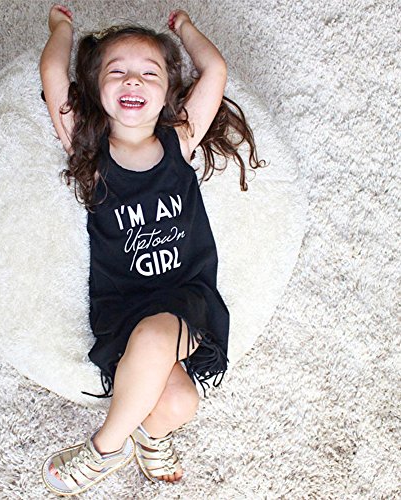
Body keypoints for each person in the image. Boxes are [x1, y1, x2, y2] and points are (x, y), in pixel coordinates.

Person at [39, 4, 267, 496]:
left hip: (186, 295)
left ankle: (104, 450)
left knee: (160, 341)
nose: (133, 81)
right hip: (122, 305)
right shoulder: (89, 152)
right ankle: (149, 436)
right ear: (95, 88)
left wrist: (184, 28)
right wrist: (62, 28)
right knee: (179, 402)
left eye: (149, 73)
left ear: (167, 93)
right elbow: (53, 71)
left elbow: (215, 69)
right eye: (116, 72)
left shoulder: (179, 141)